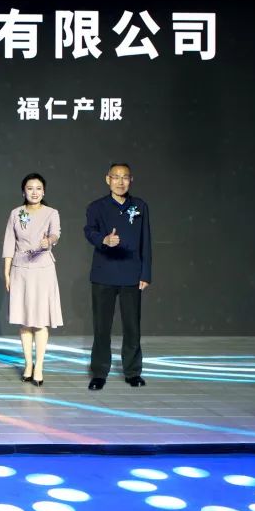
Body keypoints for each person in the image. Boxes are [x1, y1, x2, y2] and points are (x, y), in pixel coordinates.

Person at [84, 163, 152, 390]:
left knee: (132, 327)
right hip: (104, 274)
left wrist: (145, 273)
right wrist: (104, 240)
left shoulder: (139, 206)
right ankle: (99, 373)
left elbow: (146, 241)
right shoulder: (97, 207)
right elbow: (89, 231)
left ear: (131, 180)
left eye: (125, 177)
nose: (120, 182)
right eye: (116, 177)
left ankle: (133, 372)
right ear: (108, 179)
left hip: (131, 274)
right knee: (101, 328)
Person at [2, 173, 63, 387]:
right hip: (20, 269)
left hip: (43, 269)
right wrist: (7, 273)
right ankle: (28, 364)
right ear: (23, 192)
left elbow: (55, 234)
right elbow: (9, 243)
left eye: (38, 188)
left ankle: (39, 367)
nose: (34, 192)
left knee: (40, 320)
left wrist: (49, 241)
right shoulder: (16, 213)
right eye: (30, 188)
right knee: (25, 320)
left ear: (43, 192)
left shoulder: (51, 213)